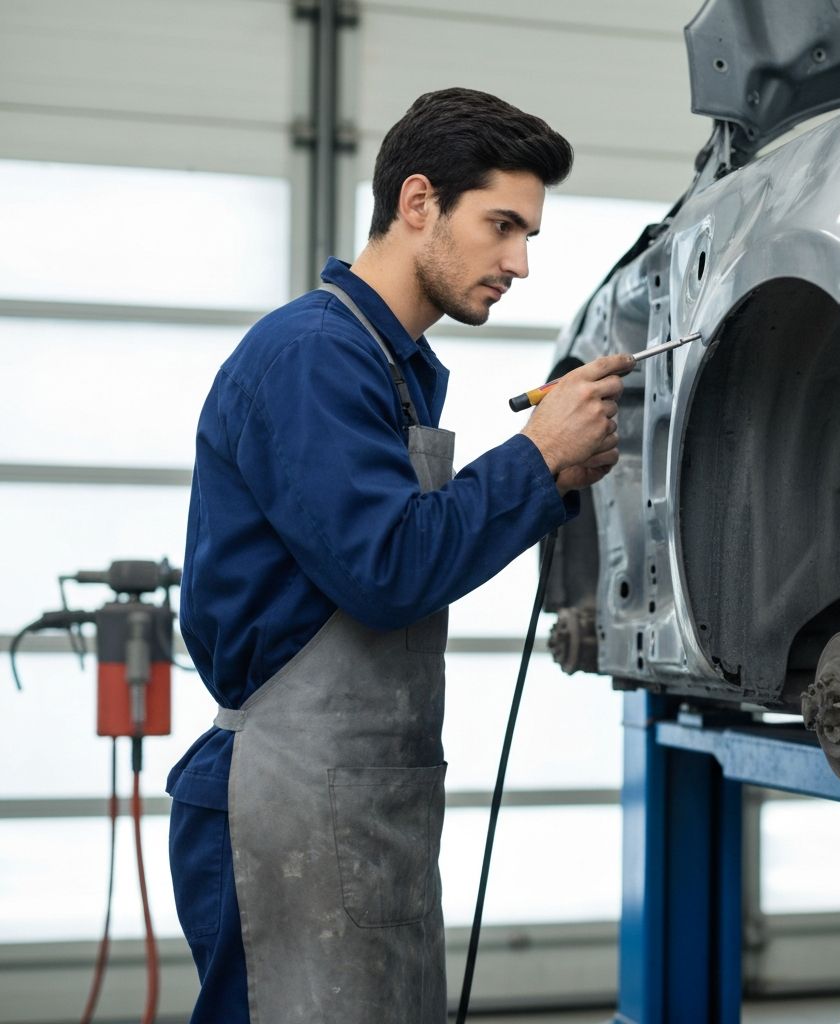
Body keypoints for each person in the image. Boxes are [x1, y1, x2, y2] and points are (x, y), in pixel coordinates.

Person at [166, 86, 633, 1024]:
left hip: (363, 802)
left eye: (530, 235)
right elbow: (387, 570)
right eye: (502, 226)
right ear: (418, 202)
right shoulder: (313, 354)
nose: (521, 263)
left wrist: (554, 474)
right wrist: (537, 458)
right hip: (283, 807)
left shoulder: (391, 366)